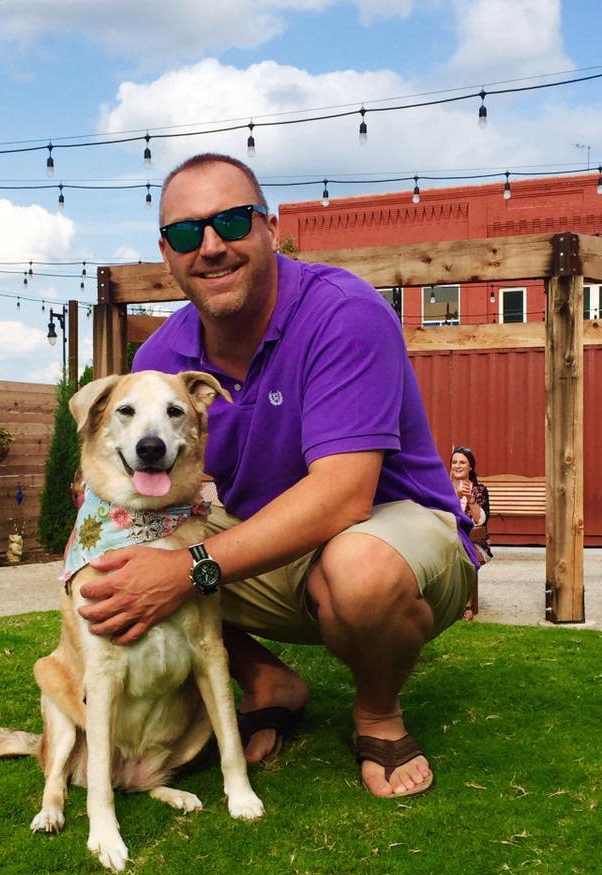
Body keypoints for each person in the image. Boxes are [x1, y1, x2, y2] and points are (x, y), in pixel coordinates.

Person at [78, 152, 478, 799]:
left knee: (359, 570)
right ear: (167, 252)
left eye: (231, 222)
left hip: (390, 532)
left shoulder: (343, 312)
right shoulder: (160, 359)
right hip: (271, 545)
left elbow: (344, 497)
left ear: (270, 227)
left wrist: (188, 568)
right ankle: (267, 679)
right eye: (187, 233)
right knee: (115, 566)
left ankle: (377, 713)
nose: (210, 247)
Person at [450, 446, 493, 621]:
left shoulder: (479, 490)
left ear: (470, 467)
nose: (457, 466)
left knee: (464, 551)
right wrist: (454, 496)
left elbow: (481, 521)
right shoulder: (443, 488)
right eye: (454, 462)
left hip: (474, 542)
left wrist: (470, 500)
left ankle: (466, 605)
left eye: (462, 462)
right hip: (446, 537)